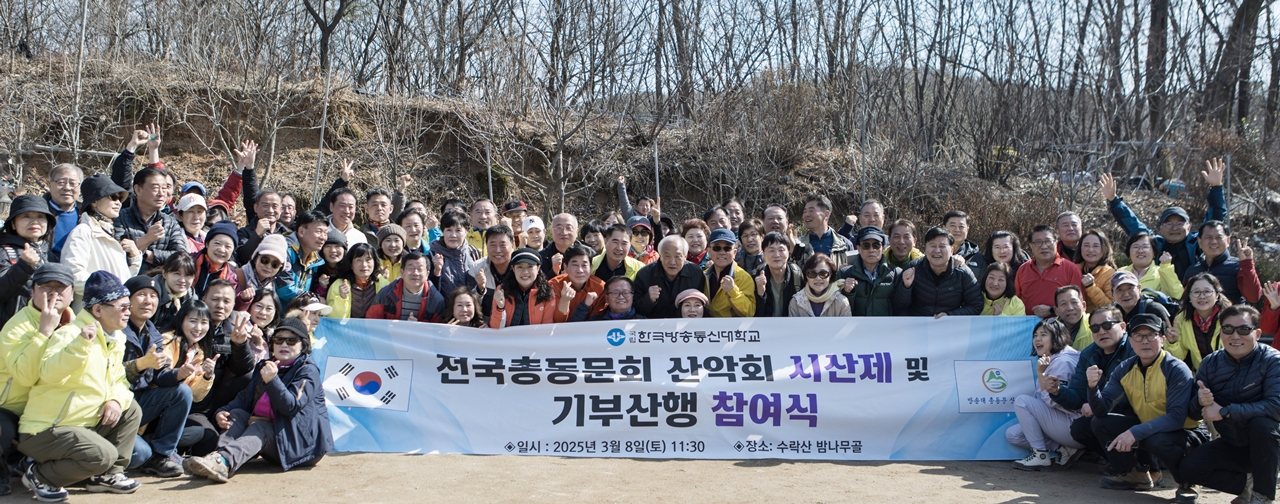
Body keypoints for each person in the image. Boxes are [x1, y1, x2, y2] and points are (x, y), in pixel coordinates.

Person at [18, 271, 143, 499]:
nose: (129, 312)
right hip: (45, 430)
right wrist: (80, 346)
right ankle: (40, 475)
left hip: (82, 424)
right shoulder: (69, 334)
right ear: (97, 310)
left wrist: (115, 399)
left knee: (130, 408)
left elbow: (119, 380)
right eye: (122, 307)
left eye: (128, 305)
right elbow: (47, 373)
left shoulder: (116, 337)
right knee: (103, 454)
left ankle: (107, 475)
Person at [183, 317, 333, 482]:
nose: (284, 345)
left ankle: (224, 461)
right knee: (236, 414)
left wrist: (273, 381)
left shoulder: (307, 371)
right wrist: (223, 411)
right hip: (276, 437)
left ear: (303, 345)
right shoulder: (267, 365)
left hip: (302, 446)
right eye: (279, 340)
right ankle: (219, 458)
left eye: (291, 341)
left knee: (260, 427)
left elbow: (291, 406)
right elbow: (245, 397)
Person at [1088, 313, 1206, 498]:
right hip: (1151, 429)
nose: (1145, 341)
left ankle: (1188, 482)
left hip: (1187, 433)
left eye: (1151, 335)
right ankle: (1135, 475)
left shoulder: (1176, 368)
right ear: (1131, 341)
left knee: (1156, 439)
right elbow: (1101, 410)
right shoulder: (1125, 368)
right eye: (1138, 336)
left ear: (1162, 339)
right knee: (1100, 422)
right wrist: (1092, 388)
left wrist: (1133, 432)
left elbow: (1176, 418)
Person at [1181, 305, 1280, 504]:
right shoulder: (1210, 363)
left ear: (1257, 333)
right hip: (1232, 442)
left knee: (1261, 424)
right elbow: (1192, 412)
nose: (1235, 336)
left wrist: (1225, 412)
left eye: (1243, 330)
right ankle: (1246, 487)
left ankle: (1262, 495)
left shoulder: (1272, 361)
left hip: (1269, 445)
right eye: (1228, 329)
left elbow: (1275, 406)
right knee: (1188, 468)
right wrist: (1199, 401)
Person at [0, 264, 77, 493]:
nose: (54, 293)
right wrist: (44, 332)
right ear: (32, 291)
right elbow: (24, 376)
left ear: (72, 293)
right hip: (10, 407)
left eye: (61, 287)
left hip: (48, 406)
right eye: (46, 287)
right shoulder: (17, 326)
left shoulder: (76, 324)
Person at [1101, 158, 1226, 281]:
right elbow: (1132, 224)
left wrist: (1216, 188)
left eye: (1180, 223)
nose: (1174, 227)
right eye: (1169, 223)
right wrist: (1113, 200)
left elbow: (1214, 221)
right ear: (1160, 228)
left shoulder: (1197, 243)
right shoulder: (1155, 244)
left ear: (1189, 226)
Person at [1048, 306, 1135, 472]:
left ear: (1123, 327)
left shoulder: (1133, 349)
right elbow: (1078, 397)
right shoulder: (1089, 354)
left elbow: (1133, 394)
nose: (1101, 331)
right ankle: (1121, 462)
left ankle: (1137, 464)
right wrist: (1058, 391)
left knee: (1099, 422)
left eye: (1107, 325)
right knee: (1080, 428)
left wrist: (1098, 405)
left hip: (1136, 414)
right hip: (1104, 413)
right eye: (1095, 328)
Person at [119, 275, 189, 477]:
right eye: (141, 295)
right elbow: (108, 374)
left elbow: (159, 377)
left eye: (153, 295)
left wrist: (178, 374)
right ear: (127, 300)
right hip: (114, 405)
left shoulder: (152, 333)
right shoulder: (115, 330)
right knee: (139, 455)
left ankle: (161, 456)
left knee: (181, 391)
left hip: (138, 403)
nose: (148, 301)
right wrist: (140, 364)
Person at [1008, 318, 1083, 470]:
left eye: (1043, 335)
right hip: (1061, 422)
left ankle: (1040, 455)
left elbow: (1054, 401)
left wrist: (1040, 373)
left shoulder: (1064, 361)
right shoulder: (1053, 359)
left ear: (1057, 337)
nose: (1038, 339)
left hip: (1074, 425)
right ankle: (1064, 449)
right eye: (1035, 335)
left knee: (1022, 401)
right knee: (1013, 435)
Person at [63, 174, 143, 304]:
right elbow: (73, 275)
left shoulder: (109, 232)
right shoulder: (83, 231)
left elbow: (121, 281)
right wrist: (107, 294)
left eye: (120, 198)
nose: (118, 202)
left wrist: (135, 259)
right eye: (113, 197)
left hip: (113, 312)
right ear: (94, 201)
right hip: (93, 313)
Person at [190, 280, 257, 422]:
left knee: (248, 377)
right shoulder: (190, 324)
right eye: (215, 299)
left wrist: (240, 344)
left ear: (233, 305)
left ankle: (221, 415)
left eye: (226, 301)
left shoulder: (231, 329)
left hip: (213, 395)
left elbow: (243, 369)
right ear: (203, 299)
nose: (220, 306)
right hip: (190, 394)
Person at [160, 300, 219, 457]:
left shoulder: (198, 351)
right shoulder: (168, 340)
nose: (198, 328)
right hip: (156, 408)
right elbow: (159, 377)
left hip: (174, 412)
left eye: (204, 323)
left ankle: (162, 445)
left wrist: (208, 376)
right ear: (181, 320)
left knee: (207, 436)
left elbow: (195, 396)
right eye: (193, 321)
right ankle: (159, 448)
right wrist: (180, 373)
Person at [892, 227, 983, 318]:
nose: (937, 250)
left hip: (949, 327)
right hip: (918, 326)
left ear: (951, 250)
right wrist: (906, 287)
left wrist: (950, 315)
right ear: (926, 248)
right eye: (932, 246)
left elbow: (976, 305)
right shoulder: (913, 268)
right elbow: (898, 306)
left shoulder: (963, 273)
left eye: (942, 246)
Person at [113, 163, 187, 270]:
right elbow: (115, 256)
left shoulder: (170, 223)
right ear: (138, 190)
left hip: (160, 284)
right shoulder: (119, 218)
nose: (161, 193)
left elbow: (181, 257)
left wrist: (148, 255)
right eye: (155, 188)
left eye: (164, 188)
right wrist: (147, 239)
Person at [0, 194, 56, 326]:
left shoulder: (49, 255)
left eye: (40, 217)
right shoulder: (5, 251)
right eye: (26, 216)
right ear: (13, 223)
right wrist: (24, 266)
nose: (34, 221)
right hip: (12, 331)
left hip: (44, 327)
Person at [1166, 273, 1232, 372]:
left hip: (1230, 374)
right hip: (1200, 376)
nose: (1202, 296)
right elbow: (1178, 357)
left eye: (1207, 291)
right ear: (1189, 297)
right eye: (1196, 292)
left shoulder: (1230, 317)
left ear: (1217, 295)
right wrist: (1173, 342)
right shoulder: (1182, 319)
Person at [1184, 221, 1261, 306]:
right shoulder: (1192, 270)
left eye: (1219, 237)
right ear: (1199, 242)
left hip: (1231, 317)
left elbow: (1253, 297)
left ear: (1228, 241)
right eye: (1208, 237)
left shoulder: (1238, 266)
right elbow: (1185, 301)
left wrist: (1247, 264)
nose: (1213, 241)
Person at [1016, 225, 1084, 317]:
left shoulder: (1070, 269)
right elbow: (1015, 301)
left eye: (1048, 241)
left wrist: (1052, 310)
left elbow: (1079, 305)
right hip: (1028, 326)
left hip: (1060, 327)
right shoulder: (1023, 269)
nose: (1044, 246)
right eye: (1038, 242)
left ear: (1056, 242)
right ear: (1031, 246)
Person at [634, 236, 708, 319]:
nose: (672, 262)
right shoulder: (645, 274)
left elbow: (704, 307)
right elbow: (635, 310)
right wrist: (648, 300)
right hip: (654, 328)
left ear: (685, 256)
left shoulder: (696, 273)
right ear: (660, 256)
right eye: (667, 256)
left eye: (677, 256)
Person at [838, 226, 900, 317]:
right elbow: (838, 309)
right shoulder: (844, 273)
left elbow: (902, 306)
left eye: (876, 245)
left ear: (883, 248)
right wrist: (847, 293)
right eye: (866, 246)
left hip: (887, 329)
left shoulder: (895, 273)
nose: (871, 250)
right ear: (858, 248)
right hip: (856, 329)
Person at [367, 251, 446, 322]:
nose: (415, 273)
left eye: (420, 269)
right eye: (410, 268)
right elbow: (372, 324)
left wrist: (418, 328)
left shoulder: (436, 300)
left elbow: (436, 333)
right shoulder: (386, 294)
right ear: (401, 272)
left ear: (427, 274)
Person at [489, 248, 558, 328]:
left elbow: (546, 328)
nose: (525, 272)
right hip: (508, 339)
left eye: (530, 266)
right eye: (520, 267)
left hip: (535, 339)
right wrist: (500, 308)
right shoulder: (502, 290)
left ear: (538, 268)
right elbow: (495, 328)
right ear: (513, 268)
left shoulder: (547, 292)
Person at [327, 243, 390, 319]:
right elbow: (332, 318)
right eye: (359, 260)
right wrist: (342, 298)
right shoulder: (339, 285)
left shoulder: (384, 284)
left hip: (375, 329)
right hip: (348, 329)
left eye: (368, 260)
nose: (364, 265)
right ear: (350, 264)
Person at [235, 234, 299, 310]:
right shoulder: (237, 276)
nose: (268, 266)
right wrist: (242, 300)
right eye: (265, 260)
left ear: (280, 268)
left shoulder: (271, 285)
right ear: (255, 258)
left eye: (275, 264)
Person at [703, 228, 755, 317]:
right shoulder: (703, 275)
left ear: (734, 252)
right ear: (709, 252)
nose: (722, 252)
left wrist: (732, 291)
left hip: (732, 329)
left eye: (727, 248)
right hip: (707, 329)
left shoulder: (744, 277)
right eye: (717, 248)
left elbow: (749, 312)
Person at [1118, 231, 1183, 300]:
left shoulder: (1161, 273)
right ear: (1129, 252)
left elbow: (1176, 295)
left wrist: (1166, 267)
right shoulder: (1120, 273)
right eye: (1135, 247)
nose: (1140, 251)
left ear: (1154, 252)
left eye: (1145, 247)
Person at [754, 232, 803, 317]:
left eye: (781, 250)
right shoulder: (755, 277)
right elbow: (753, 315)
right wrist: (760, 295)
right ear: (763, 254)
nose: (776, 255)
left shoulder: (797, 276)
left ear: (789, 252)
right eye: (771, 250)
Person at [552, 245, 606, 322]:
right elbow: (557, 322)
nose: (580, 270)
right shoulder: (553, 285)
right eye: (575, 265)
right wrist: (564, 301)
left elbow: (595, 322)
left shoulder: (600, 288)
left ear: (591, 267)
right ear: (565, 267)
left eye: (584, 265)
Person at [797, 194, 853, 269]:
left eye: (811, 210)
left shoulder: (845, 245)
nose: (806, 215)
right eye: (805, 211)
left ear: (826, 214)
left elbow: (852, 273)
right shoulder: (799, 244)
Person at [430, 211, 478, 296]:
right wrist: (436, 272)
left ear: (466, 231)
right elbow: (429, 290)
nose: (453, 235)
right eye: (449, 230)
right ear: (442, 231)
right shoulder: (432, 255)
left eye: (458, 230)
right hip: (443, 308)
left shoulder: (473, 252)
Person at [45, 163, 83, 262]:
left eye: (73, 183)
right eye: (61, 182)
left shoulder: (87, 215)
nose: (67, 187)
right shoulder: (38, 212)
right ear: (50, 185)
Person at [192, 220, 239, 299]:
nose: (221, 250)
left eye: (228, 246)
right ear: (207, 244)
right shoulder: (190, 261)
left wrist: (244, 300)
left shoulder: (231, 278)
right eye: (217, 243)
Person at [287, 210, 331, 294]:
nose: (323, 237)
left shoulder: (316, 259)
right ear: (301, 231)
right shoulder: (286, 250)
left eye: (325, 233)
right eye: (318, 231)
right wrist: (311, 299)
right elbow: (285, 289)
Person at [152, 252, 196, 332]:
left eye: (188, 275)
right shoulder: (151, 292)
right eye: (177, 274)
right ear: (164, 273)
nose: (182, 280)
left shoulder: (191, 296)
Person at [1075, 229, 1117, 312]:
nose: (1090, 250)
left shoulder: (1110, 273)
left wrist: (1091, 287)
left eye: (1096, 246)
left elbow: (1112, 306)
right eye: (1086, 245)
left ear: (1104, 248)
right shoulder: (1074, 269)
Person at [942, 210, 986, 274]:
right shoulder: (934, 253)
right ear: (944, 228)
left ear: (967, 230)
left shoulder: (979, 259)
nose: (957, 230)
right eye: (953, 225)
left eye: (961, 226)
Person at [309, 229, 347, 297]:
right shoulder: (314, 269)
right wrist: (321, 287)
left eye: (337, 246)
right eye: (328, 246)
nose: (333, 250)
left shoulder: (350, 269)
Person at [540, 213, 581, 278]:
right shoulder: (541, 258)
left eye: (568, 228)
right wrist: (553, 272)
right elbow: (540, 286)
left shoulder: (589, 255)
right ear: (551, 231)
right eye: (559, 228)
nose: (564, 232)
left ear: (577, 231)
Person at [327, 182, 367, 247]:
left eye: (351, 207)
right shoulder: (320, 233)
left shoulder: (360, 238)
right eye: (342, 206)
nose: (347, 211)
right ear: (331, 206)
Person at [1054, 285, 1094, 350]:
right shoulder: (1050, 331)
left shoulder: (1095, 325)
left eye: (1074, 302)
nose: (1070, 308)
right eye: (1063, 304)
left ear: (1083, 306)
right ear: (1056, 310)